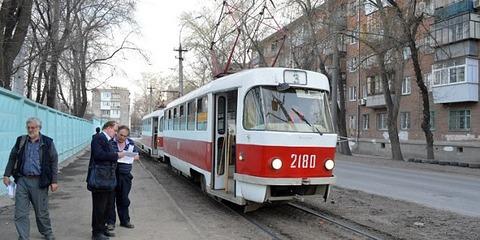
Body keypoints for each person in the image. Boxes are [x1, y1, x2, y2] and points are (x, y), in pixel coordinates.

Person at [2, 117, 58, 240]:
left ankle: (47, 232)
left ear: (39, 128)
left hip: (39, 181)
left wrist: (54, 181)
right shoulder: (21, 141)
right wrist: (6, 175)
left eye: (33, 127)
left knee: (41, 212)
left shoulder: (48, 142)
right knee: (20, 212)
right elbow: (12, 158)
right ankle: (23, 236)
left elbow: (54, 160)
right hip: (22, 180)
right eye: (28, 128)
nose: (30, 130)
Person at [87, 121, 125, 240]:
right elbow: (98, 155)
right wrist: (116, 155)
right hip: (100, 179)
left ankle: (102, 229)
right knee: (99, 207)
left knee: (106, 206)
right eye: (115, 130)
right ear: (108, 128)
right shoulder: (99, 138)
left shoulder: (106, 139)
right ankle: (96, 233)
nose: (116, 133)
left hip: (106, 179)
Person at [107, 125, 139, 231]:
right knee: (111, 200)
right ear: (117, 133)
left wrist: (132, 156)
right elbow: (106, 155)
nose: (122, 138)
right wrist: (117, 155)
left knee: (124, 199)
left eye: (125, 136)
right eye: (121, 135)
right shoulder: (110, 142)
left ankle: (125, 221)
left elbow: (137, 156)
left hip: (125, 176)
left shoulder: (131, 143)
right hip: (112, 175)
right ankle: (110, 222)